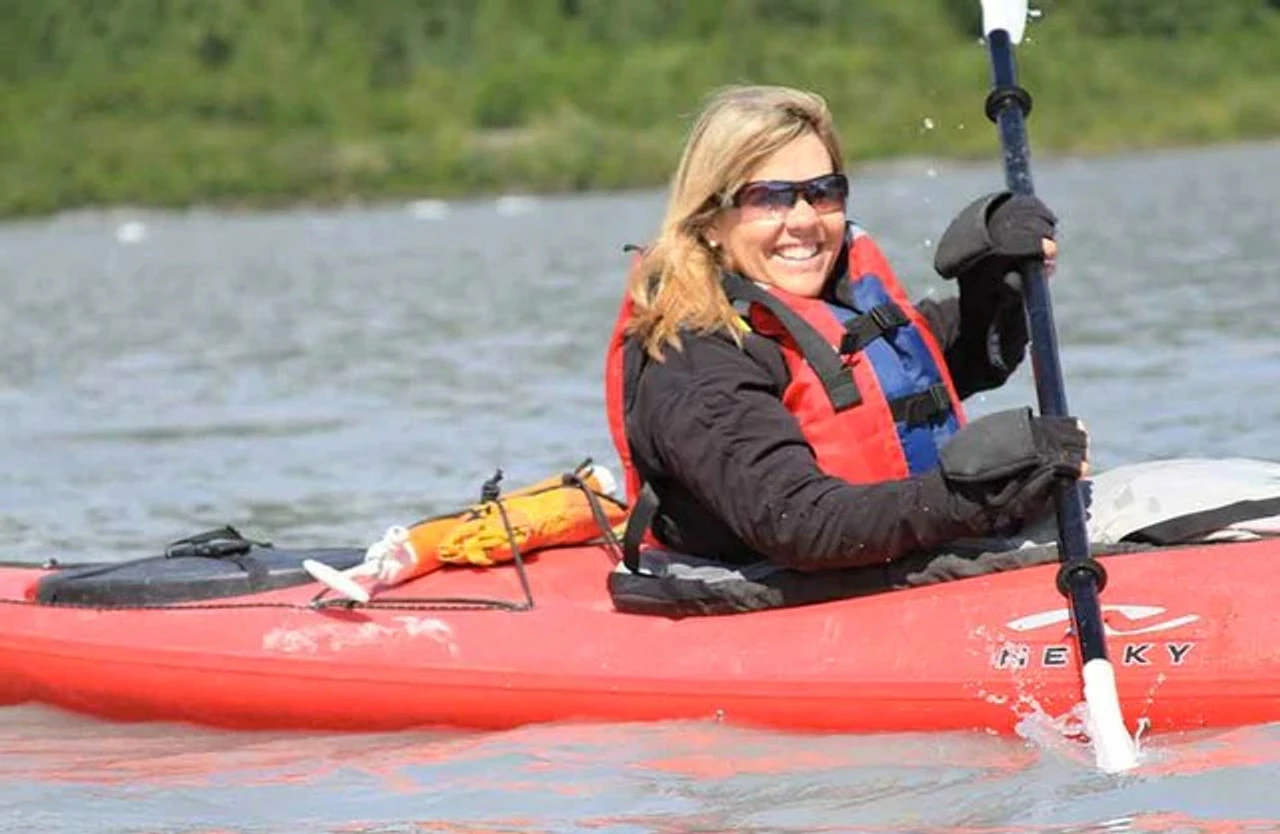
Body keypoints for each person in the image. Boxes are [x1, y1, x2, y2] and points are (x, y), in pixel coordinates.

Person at [604, 84, 1088, 576]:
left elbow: (924, 370)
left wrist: (996, 286)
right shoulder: (691, 361)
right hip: (778, 588)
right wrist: (983, 495)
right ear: (709, 220)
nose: (804, 220)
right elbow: (798, 522)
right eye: (767, 199)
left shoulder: (830, 300)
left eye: (823, 192)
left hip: (875, 566)